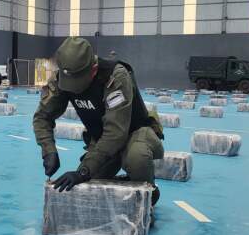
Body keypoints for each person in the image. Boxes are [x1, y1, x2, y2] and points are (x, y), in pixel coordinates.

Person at [33, 37, 164, 203]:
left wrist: (83, 172)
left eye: (77, 82)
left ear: (93, 69)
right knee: (87, 190)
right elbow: (42, 117)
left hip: (134, 133)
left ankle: (148, 194)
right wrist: (49, 150)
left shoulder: (115, 76)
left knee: (136, 156)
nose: (73, 88)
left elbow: (116, 133)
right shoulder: (63, 78)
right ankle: (128, 183)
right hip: (103, 140)